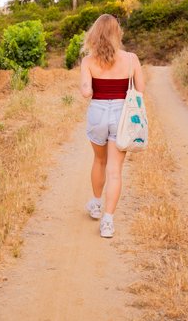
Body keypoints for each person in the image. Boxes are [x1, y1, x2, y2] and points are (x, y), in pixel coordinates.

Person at [78, 14, 145, 238]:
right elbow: (141, 89)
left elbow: (86, 92)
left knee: (99, 160)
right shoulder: (131, 59)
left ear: (95, 34)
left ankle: (96, 204)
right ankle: (108, 221)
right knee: (114, 170)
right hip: (122, 114)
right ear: (118, 33)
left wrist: (92, 85)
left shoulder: (88, 61)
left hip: (98, 111)